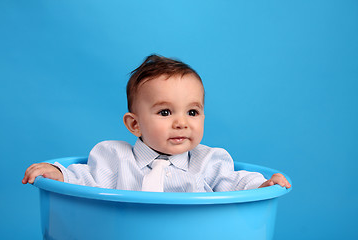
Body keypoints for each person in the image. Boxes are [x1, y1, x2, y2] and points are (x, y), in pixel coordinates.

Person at [22, 54, 291, 192]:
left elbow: (234, 181)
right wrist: (59, 173)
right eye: (165, 113)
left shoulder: (209, 161)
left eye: (192, 113)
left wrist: (261, 184)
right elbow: (86, 179)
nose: (181, 123)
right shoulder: (114, 157)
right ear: (134, 125)